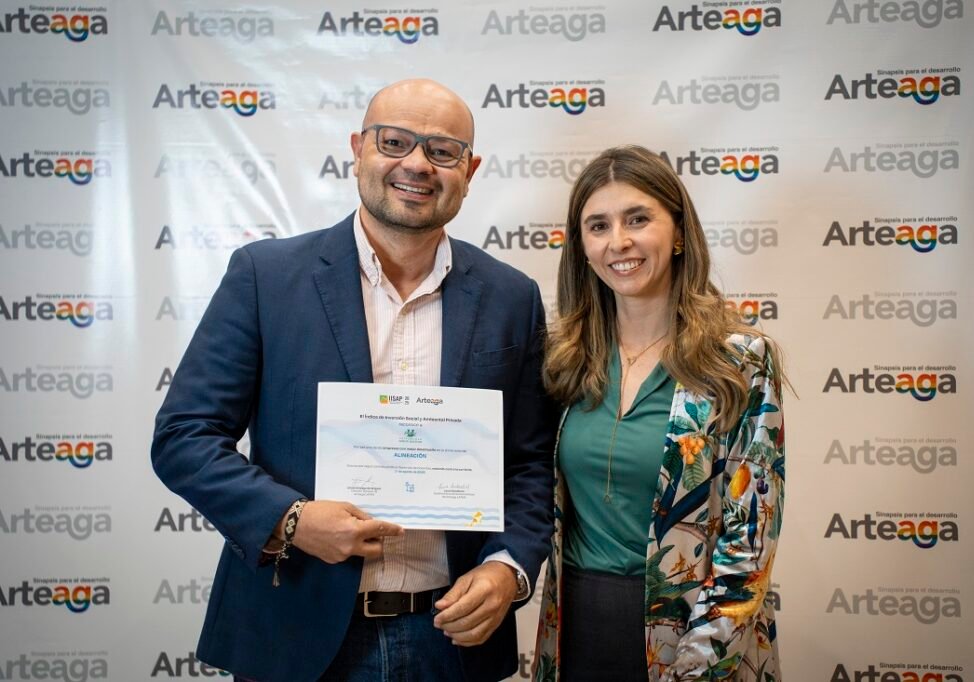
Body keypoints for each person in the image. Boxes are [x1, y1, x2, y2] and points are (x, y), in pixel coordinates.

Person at [152, 79, 555, 682]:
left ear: (469, 169)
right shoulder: (266, 276)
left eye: (442, 151)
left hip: (452, 637)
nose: (416, 164)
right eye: (395, 142)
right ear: (358, 149)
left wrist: (509, 568)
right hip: (295, 629)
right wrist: (291, 518)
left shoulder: (511, 297)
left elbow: (528, 464)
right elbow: (183, 437)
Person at [533, 146, 786, 682]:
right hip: (574, 627)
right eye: (598, 225)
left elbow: (749, 544)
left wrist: (697, 669)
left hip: (693, 639)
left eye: (638, 219)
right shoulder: (565, 360)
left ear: (677, 233)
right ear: (581, 247)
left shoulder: (736, 360)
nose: (618, 242)